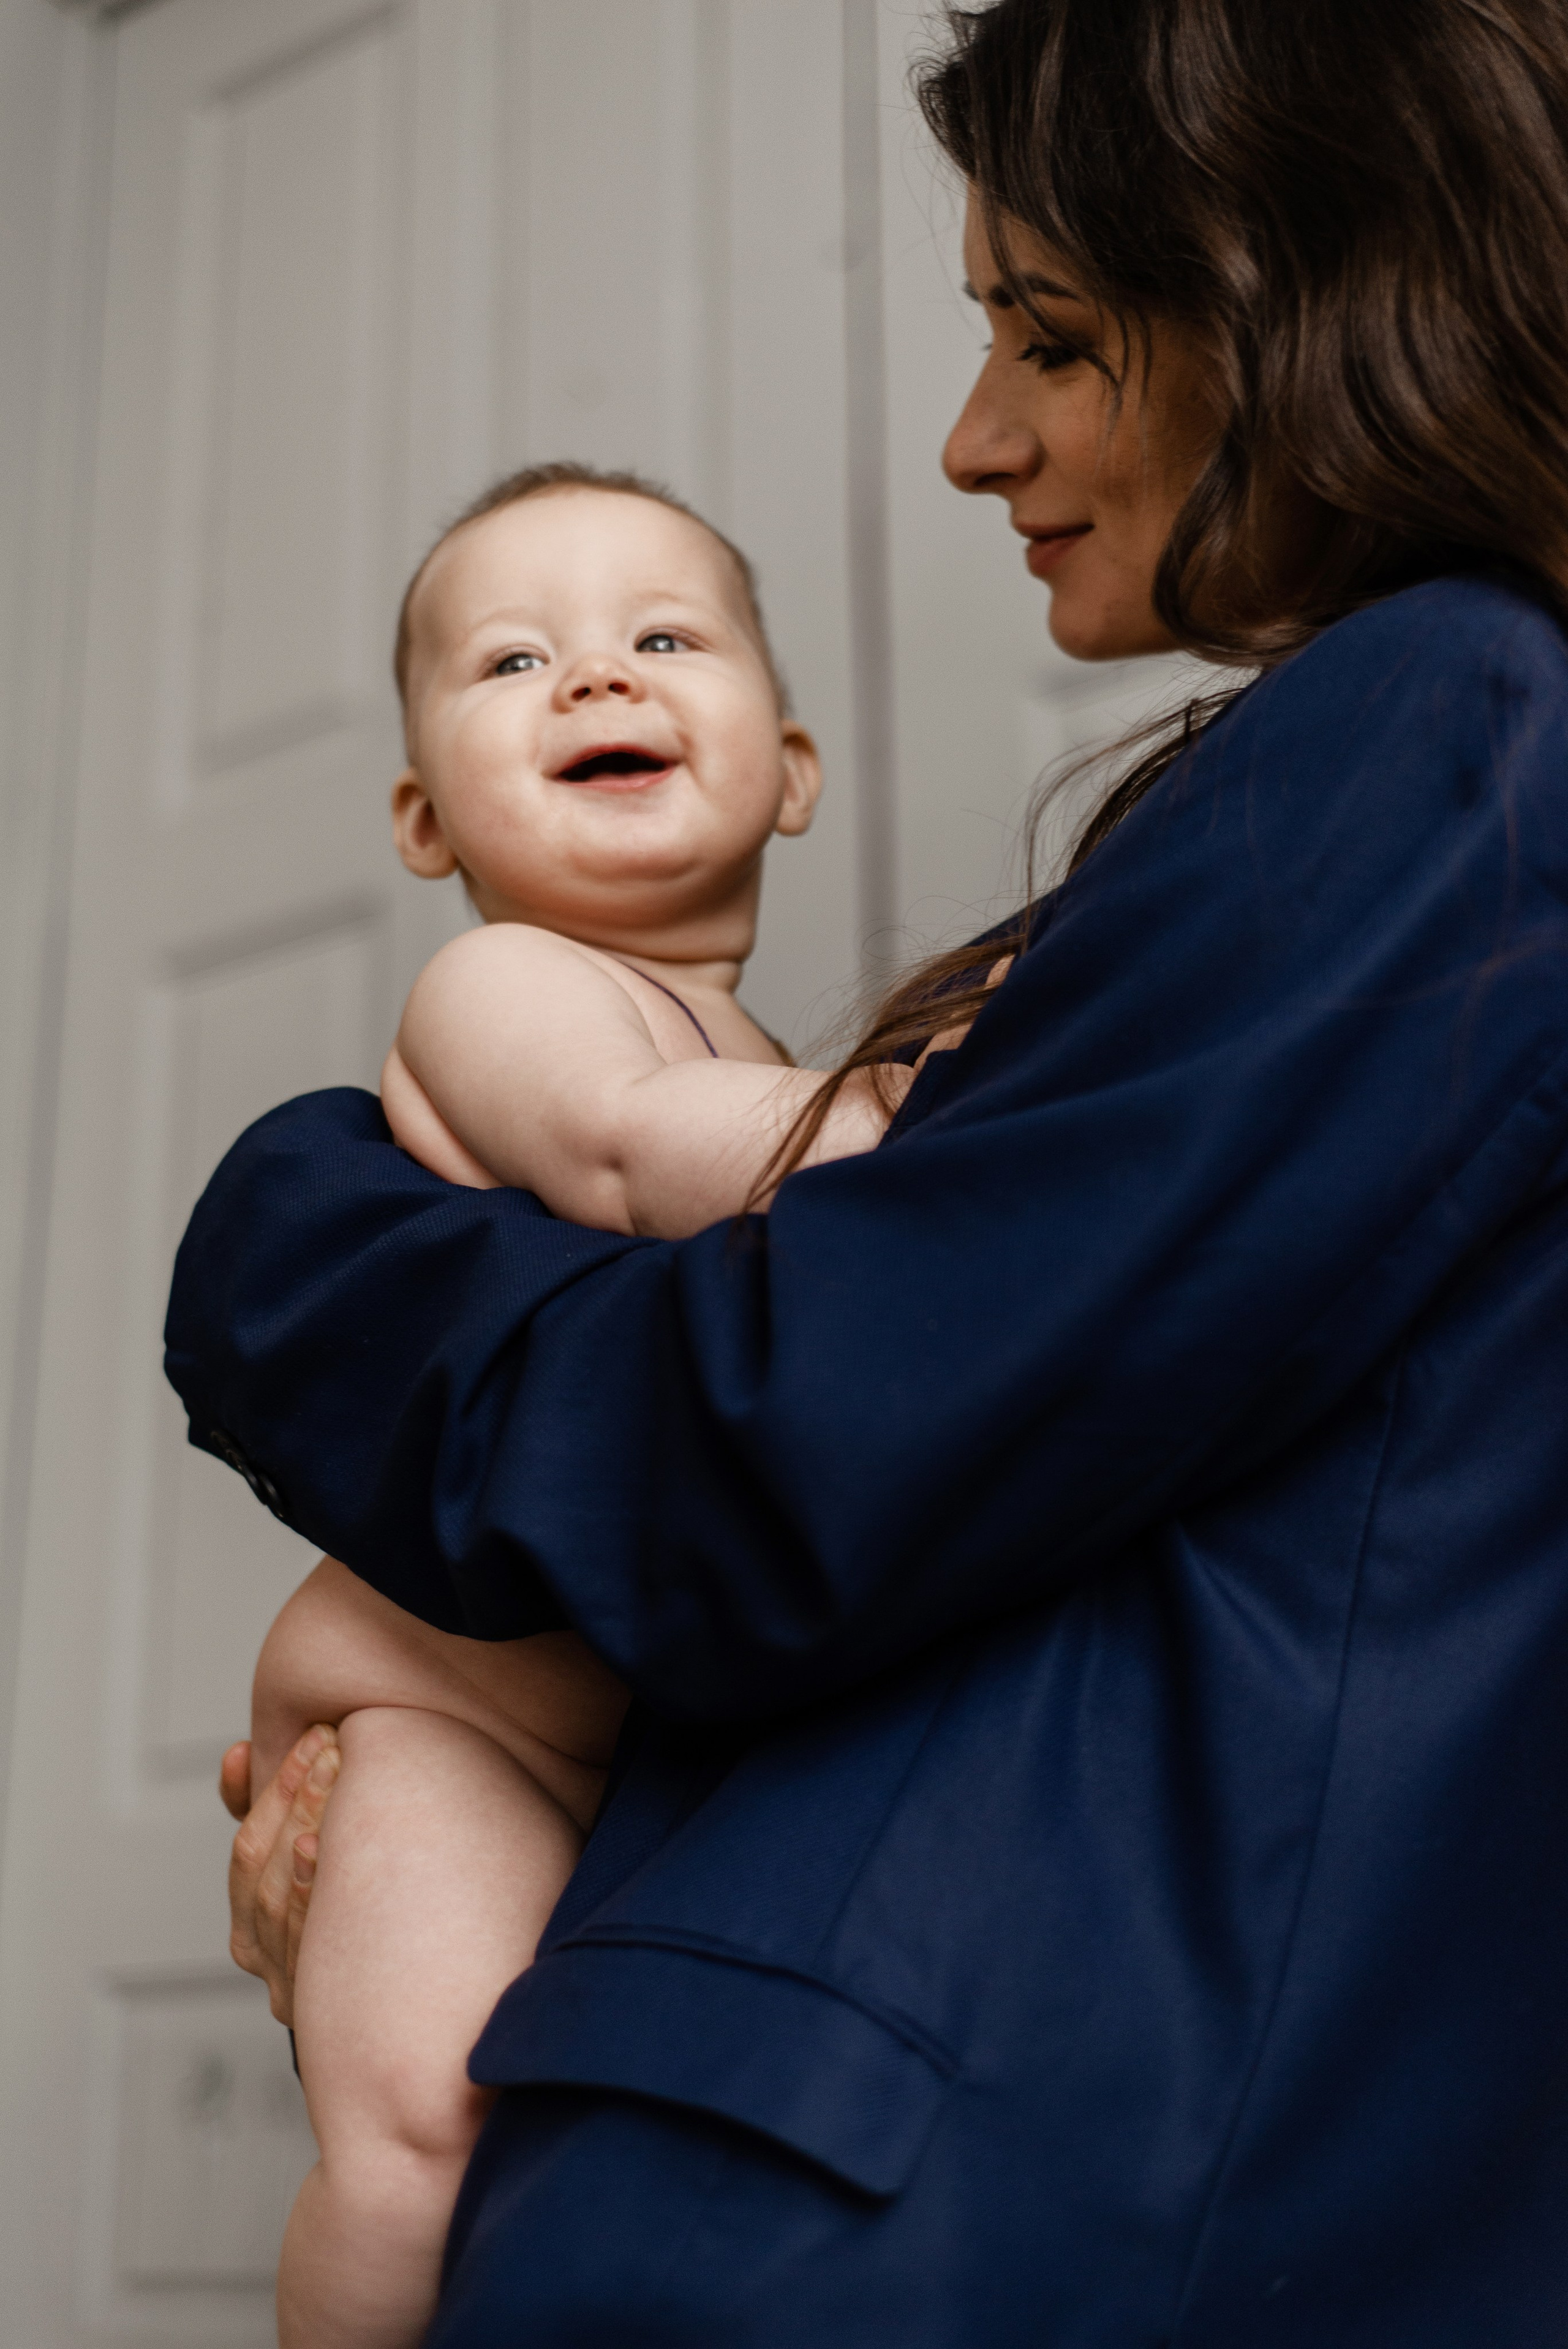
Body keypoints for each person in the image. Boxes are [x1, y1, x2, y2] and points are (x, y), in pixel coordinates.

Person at [174, 0, 1568, 2339]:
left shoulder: (1456, 723)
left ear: (1306, 285)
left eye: (1051, 332)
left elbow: (799, 1445)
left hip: (921, 2226)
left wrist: (300, 1231)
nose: (969, 438)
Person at [247, 464, 939, 2347]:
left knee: (613, 2148)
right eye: (515, 658)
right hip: (440, 1709)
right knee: (424, 2136)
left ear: (789, 766)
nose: (592, 679)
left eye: (660, 636)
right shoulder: (509, 987)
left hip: (639, 1733)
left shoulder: (771, 1059)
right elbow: (643, 1156)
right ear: (421, 813)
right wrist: (952, 1122)